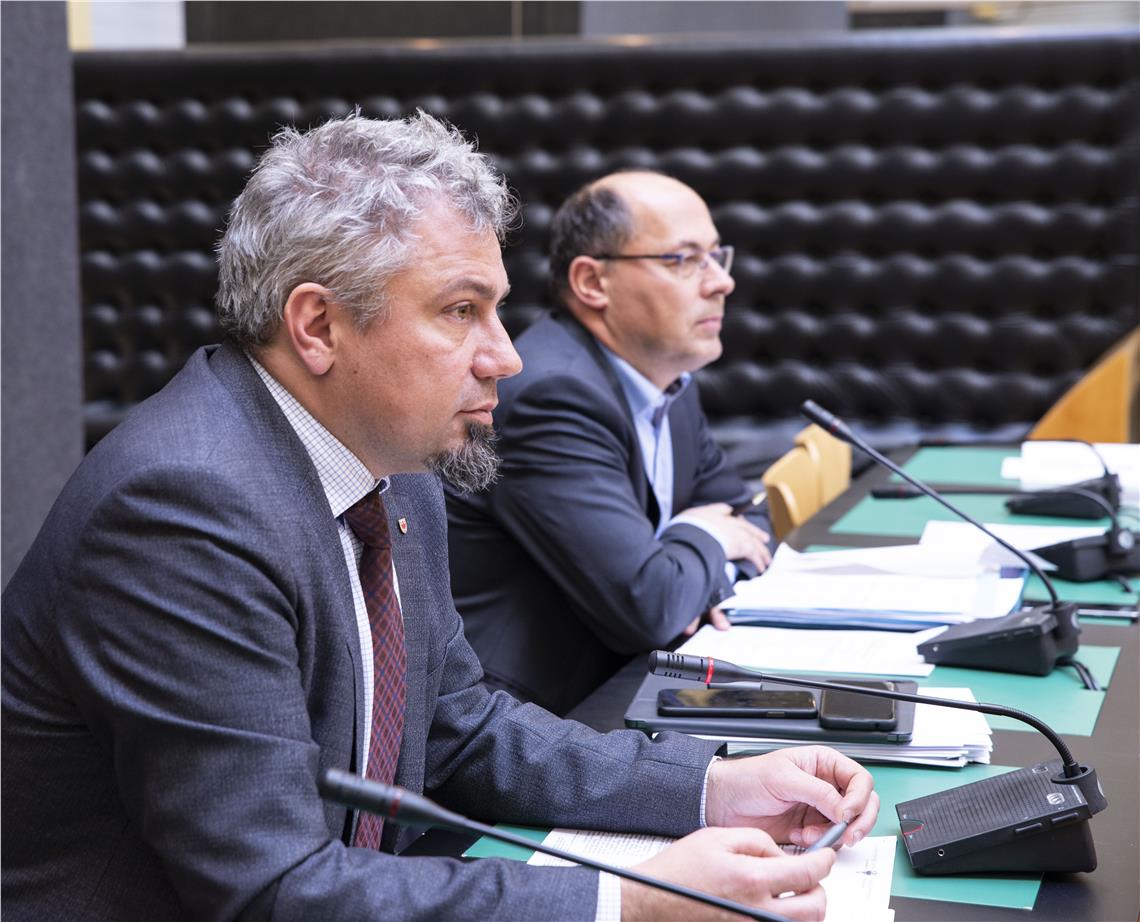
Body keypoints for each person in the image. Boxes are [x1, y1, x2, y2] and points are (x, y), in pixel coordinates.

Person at [1, 113, 876, 922]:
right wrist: (631, 902)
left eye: (496, 309)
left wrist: (710, 789)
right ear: (318, 326)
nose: (506, 357)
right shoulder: (184, 509)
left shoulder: (398, 466)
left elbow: (461, 728)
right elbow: (274, 888)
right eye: (461, 311)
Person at [446, 171, 774, 715]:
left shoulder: (667, 380)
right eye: (684, 260)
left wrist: (692, 579)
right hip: (529, 720)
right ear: (592, 282)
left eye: (718, 257)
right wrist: (703, 536)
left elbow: (750, 519)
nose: (721, 282)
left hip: (625, 682)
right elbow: (649, 606)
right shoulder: (552, 396)